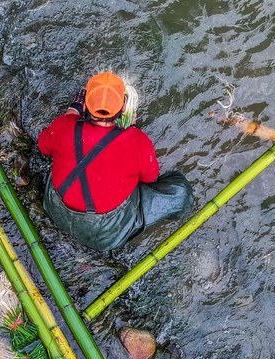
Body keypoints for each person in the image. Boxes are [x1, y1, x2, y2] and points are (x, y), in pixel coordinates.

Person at [37, 71, 194, 253]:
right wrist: (132, 130)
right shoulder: (136, 141)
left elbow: (43, 146)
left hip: (54, 208)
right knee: (180, 192)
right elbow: (150, 178)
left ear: (86, 106)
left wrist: (72, 110)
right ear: (123, 110)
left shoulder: (65, 125)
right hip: (104, 233)